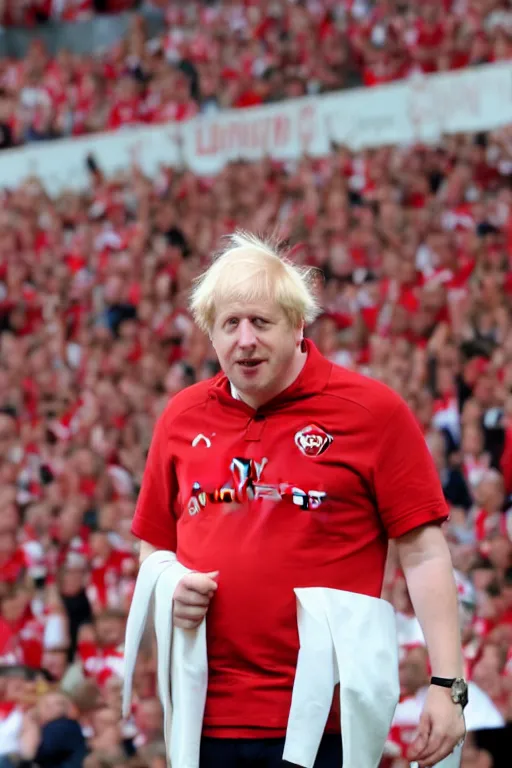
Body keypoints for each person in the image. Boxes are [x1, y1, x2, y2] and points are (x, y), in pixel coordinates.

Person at [130, 232, 467, 768]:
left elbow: (423, 551)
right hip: (204, 718)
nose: (244, 340)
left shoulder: (372, 412)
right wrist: (168, 590)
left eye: (261, 323)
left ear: (297, 323)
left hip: (327, 719)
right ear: (209, 333)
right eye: (229, 324)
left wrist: (448, 683)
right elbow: (154, 548)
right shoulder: (181, 416)